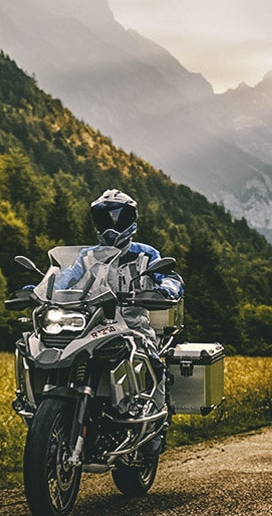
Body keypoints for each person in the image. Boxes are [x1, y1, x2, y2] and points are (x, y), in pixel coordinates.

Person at [55, 188, 184, 456]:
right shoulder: (88, 256)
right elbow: (67, 277)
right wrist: (44, 288)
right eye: (105, 219)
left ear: (131, 221)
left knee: (153, 360)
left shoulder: (146, 254)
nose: (111, 226)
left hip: (133, 326)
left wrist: (168, 288)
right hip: (93, 325)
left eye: (118, 218)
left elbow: (170, 277)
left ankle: (157, 423)